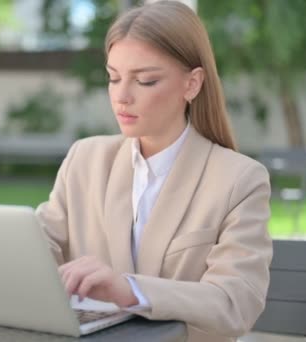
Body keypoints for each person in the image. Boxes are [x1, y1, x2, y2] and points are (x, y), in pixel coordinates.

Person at [35, 1, 273, 342]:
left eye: (145, 81)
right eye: (113, 78)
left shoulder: (239, 180)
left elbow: (235, 303)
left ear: (192, 84)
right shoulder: (85, 159)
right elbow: (39, 245)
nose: (121, 97)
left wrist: (129, 290)